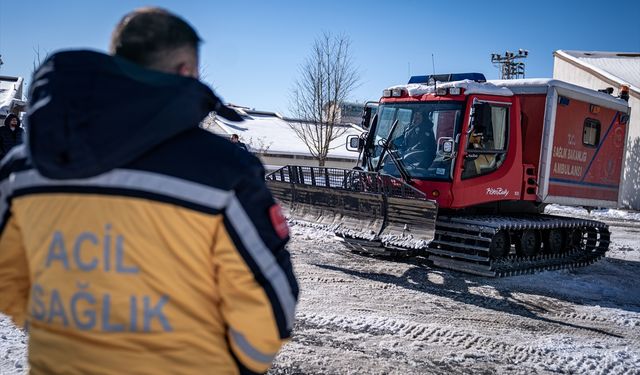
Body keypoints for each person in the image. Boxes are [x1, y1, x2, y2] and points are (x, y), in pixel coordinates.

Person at [0, 7, 298, 375]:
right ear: (186, 72)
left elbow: (6, 274)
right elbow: (270, 307)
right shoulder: (223, 173)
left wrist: (61, 330)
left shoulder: (21, 170)